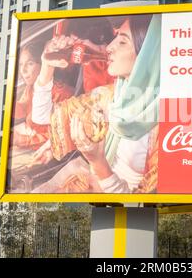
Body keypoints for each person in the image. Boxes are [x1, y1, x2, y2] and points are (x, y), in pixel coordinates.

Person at [32, 14, 161, 194]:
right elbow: (44, 119)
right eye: (114, 39)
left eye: (122, 42)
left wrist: (98, 162)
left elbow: (142, 204)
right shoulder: (111, 97)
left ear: (149, 55)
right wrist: (47, 68)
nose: (109, 47)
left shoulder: (170, 121)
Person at [12, 41, 74, 150]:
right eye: (21, 64)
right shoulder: (31, 87)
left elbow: (56, 137)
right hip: (32, 139)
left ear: (42, 64)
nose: (23, 70)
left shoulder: (61, 94)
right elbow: (23, 107)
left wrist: (20, 139)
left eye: (30, 63)